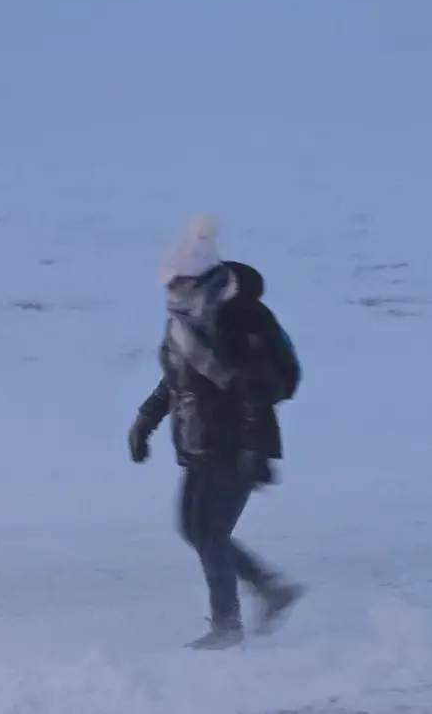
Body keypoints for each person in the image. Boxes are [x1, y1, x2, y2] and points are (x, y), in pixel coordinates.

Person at [127, 214, 304, 650]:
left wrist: (252, 449)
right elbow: (177, 379)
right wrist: (146, 420)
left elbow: (256, 389)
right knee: (194, 528)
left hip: (236, 442)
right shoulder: (186, 319)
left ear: (203, 278)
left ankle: (228, 625)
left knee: (210, 534)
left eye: (179, 283)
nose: (171, 292)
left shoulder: (238, 318)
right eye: (168, 283)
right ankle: (270, 589)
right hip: (201, 440)